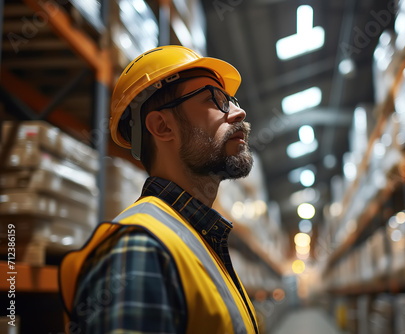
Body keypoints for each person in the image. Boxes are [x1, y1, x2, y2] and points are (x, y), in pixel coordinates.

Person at [59, 45, 259, 334]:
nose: (238, 113)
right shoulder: (139, 250)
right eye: (214, 100)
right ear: (162, 126)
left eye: (231, 100)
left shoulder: (200, 240)